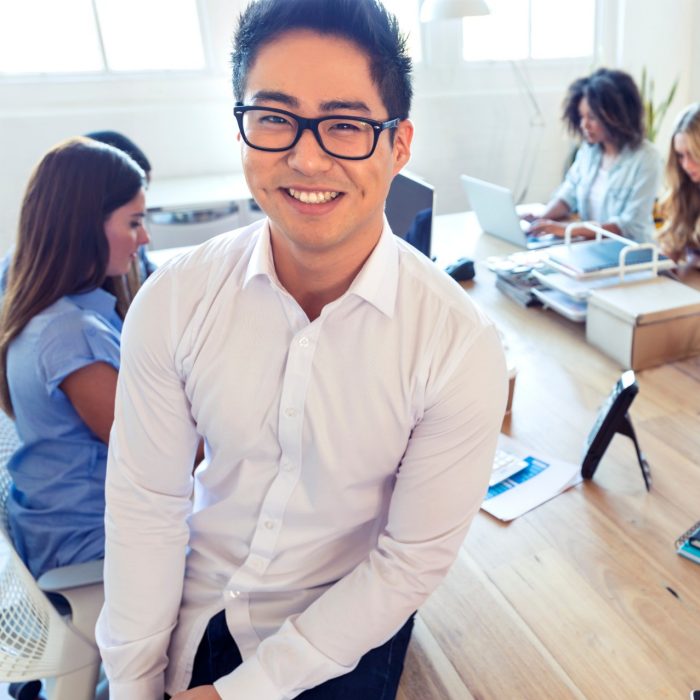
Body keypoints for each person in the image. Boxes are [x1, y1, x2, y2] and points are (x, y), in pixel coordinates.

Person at [96, 2, 507, 699]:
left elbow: (406, 564)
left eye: (345, 125)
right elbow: (149, 503)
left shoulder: (457, 346)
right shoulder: (174, 301)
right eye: (275, 117)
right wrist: (135, 683)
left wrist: (237, 693)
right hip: (193, 597)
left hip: (337, 623)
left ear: (399, 145)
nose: (306, 156)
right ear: (242, 127)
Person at [0, 137, 148, 579]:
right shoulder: (70, 334)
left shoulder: (56, 310)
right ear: (86, 226)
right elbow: (154, 453)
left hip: (60, 525)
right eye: (134, 222)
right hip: (87, 544)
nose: (144, 238)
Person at [525, 68, 661, 242]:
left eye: (592, 117)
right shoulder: (589, 151)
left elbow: (627, 226)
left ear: (618, 116)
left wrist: (566, 230)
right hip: (592, 246)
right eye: (581, 116)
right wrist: (540, 221)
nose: (584, 125)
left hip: (628, 252)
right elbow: (568, 195)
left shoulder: (647, 158)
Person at [657, 103, 700, 265]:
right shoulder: (688, 189)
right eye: (680, 156)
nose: (686, 165)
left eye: (693, 154)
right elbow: (670, 252)